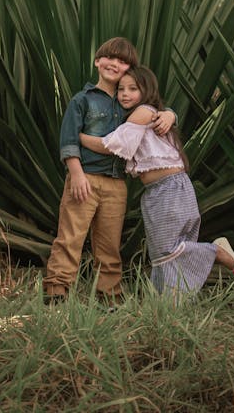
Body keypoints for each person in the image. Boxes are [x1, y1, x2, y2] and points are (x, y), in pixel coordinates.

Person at [79, 65, 234, 297]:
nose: (125, 94)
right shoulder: (150, 114)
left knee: (168, 249)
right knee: (161, 252)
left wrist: (79, 137)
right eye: (121, 89)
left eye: (132, 88)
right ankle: (170, 300)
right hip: (159, 191)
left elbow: (114, 145)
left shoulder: (144, 111)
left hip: (170, 189)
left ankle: (216, 251)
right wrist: (170, 113)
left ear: (146, 90)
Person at [43, 38, 176, 303]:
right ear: (97, 61)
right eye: (109, 57)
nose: (115, 63)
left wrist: (171, 114)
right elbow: (69, 140)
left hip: (117, 184)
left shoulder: (130, 103)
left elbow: (155, 110)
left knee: (109, 244)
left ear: (129, 70)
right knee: (70, 237)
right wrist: (77, 175)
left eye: (123, 61)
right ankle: (57, 290)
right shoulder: (82, 100)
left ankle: (109, 295)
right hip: (85, 178)